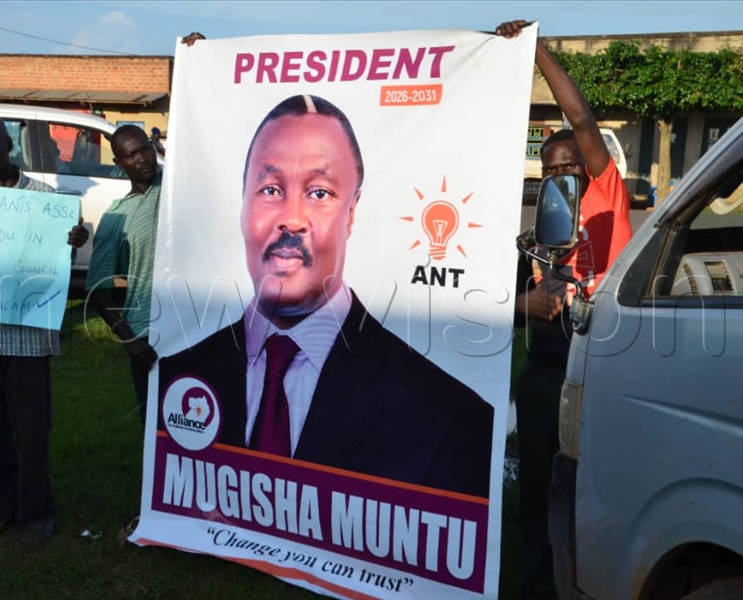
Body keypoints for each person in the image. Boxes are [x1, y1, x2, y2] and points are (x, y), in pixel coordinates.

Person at [157, 94, 494, 498]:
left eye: (319, 193)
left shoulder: (449, 415)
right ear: (242, 206)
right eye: (269, 189)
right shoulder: (177, 375)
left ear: (351, 214)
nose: (292, 219)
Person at [496, 20, 632, 600]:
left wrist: (536, 53)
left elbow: (580, 121)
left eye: (567, 168)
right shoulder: (536, 236)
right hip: (542, 381)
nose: (557, 177)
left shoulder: (604, 203)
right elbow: (493, 306)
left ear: (590, 168)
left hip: (597, 379)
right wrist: (527, 303)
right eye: (548, 170)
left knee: (585, 500)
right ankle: (534, 587)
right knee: (534, 500)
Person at [0, 113, 88, 544]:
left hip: (28, 335)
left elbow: (55, 265)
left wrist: (71, 240)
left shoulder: (46, 200)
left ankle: (35, 512)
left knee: (30, 427)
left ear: (7, 145)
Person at [85, 125, 161, 410]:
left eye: (145, 149)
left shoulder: (179, 189)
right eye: (131, 155)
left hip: (197, 326)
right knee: (152, 424)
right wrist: (131, 340)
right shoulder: (117, 216)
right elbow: (98, 289)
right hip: (146, 334)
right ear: (119, 163)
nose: (142, 158)